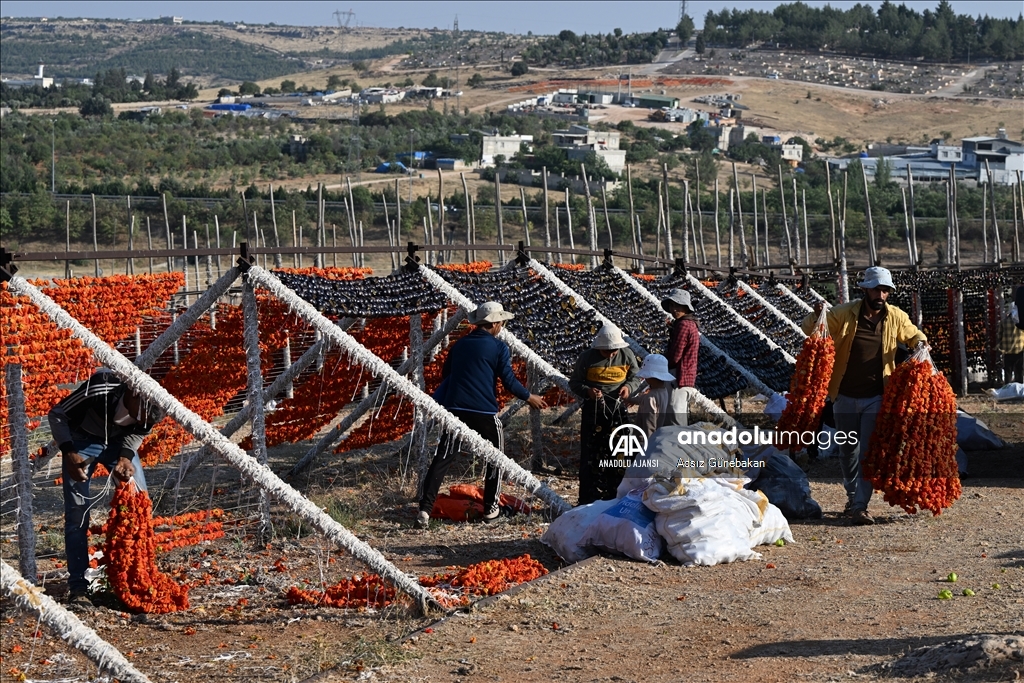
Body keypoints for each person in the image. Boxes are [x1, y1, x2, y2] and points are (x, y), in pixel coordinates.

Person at [805, 266, 927, 526]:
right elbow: (811, 330)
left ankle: (860, 505)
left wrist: (920, 342)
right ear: (865, 290)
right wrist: (817, 315)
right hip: (844, 395)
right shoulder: (845, 313)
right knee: (848, 449)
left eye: (885, 290)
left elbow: (913, 333)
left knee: (867, 452)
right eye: (876, 289)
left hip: (876, 396)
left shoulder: (895, 316)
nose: (881, 295)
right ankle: (852, 497)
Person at [417, 302, 548, 528]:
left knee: (443, 458)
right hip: (483, 411)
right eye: (502, 323)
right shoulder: (498, 347)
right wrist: (529, 397)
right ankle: (490, 509)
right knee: (495, 458)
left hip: (455, 410)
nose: (502, 327)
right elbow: (508, 381)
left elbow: (446, 373)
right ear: (495, 323)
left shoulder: (460, 345)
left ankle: (425, 510)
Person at [48, 369, 163, 608]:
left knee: (138, 503)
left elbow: (138, 432)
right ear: (132, 394)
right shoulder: (102, 388)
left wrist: (125, 457)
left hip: (118, 444)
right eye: (137, 415)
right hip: (82, 440)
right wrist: (69, 452)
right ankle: (79, 587)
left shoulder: (152, 404)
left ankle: (134, 580)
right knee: (78, 513)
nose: (141, 421)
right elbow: (58, 414)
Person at [569, 324, 641, 505]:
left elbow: (636, 377)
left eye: (614, 350)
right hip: (593, 410)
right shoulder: (586, 358)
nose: (611, 354)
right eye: (607, 351)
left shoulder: (627, 355)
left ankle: (617, 494)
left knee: (620, 452)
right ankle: (589, 498)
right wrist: (588, 392)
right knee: (591, 454)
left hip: (617, 409)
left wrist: (627, 388)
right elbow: (575, 383)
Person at [662, 288, 699, 426]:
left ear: (685, 307)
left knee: (674, 419)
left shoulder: (683, 325)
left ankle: (677, 445)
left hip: (678, 377)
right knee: (677, 415)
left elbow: (675, 356)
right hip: (685, 376)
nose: (674, 309)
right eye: (672, 305)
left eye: (677, 305)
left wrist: (662, 365)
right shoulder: (690, 323)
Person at [625, 353, 676, 437]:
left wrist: (648, 444)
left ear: (650, 377)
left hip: (645, 439)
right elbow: (643, 399)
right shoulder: (663, 391)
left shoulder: (650, 398)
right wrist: (631, 399)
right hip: (656, 435)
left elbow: (649, 425)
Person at [1000, 301, 1024, 384]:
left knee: (1008, 371)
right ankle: (1020, 389)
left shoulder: (1004, 321)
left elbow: (1000, 335)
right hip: (1020, 349)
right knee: (1019, 369)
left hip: (1008, 350)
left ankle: (1007, 388)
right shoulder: (1021, 321)